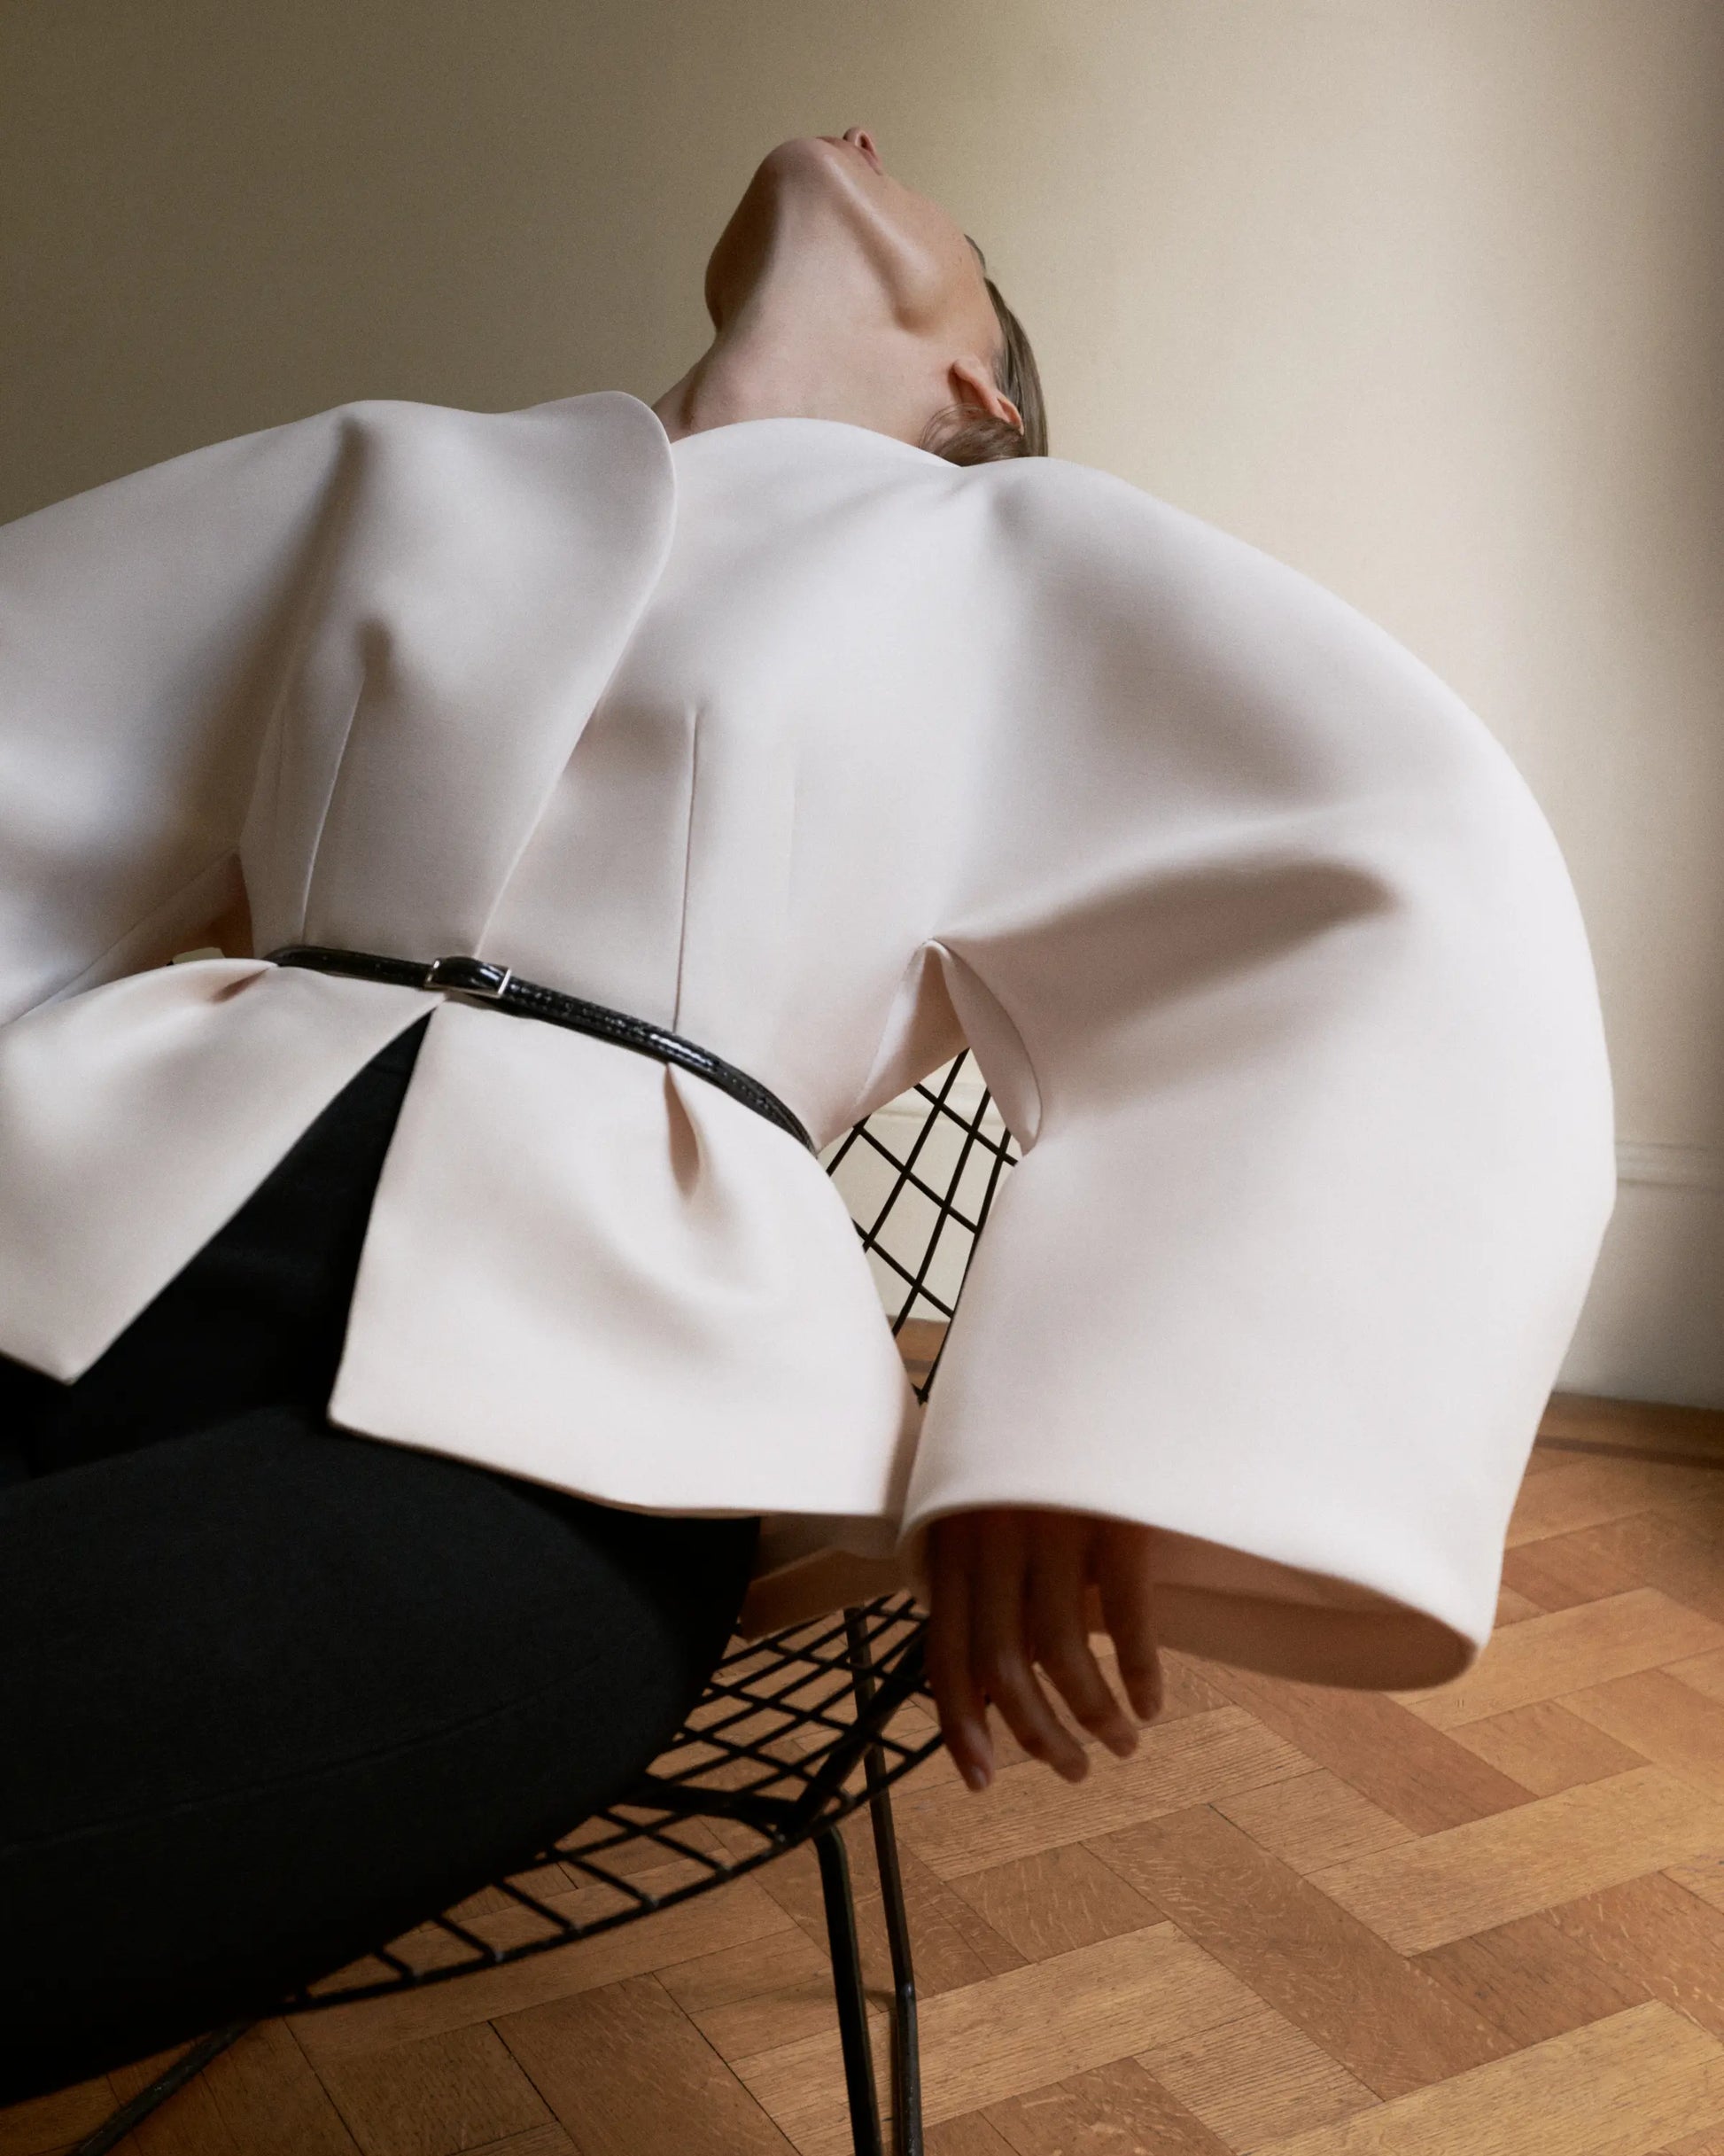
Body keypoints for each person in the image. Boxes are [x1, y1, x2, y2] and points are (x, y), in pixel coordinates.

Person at [0, 128, 1615, 2098]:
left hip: (592, 1399)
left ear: (979, 389)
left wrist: (1091, 1415)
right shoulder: (393, 468)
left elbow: (1395, 879)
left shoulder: (1027, 554)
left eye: (940, 203)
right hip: (69, 1208)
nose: (856, 140)